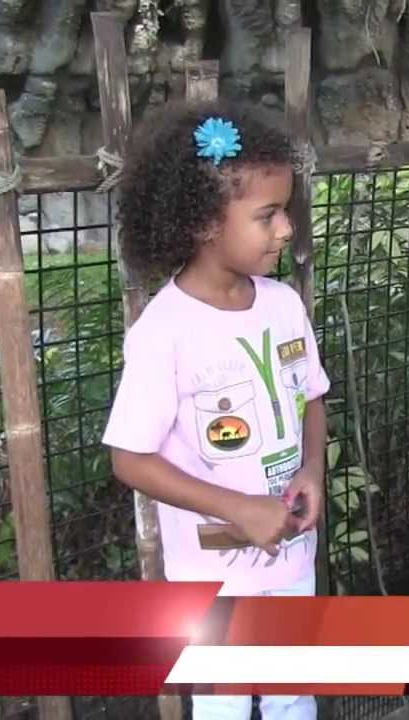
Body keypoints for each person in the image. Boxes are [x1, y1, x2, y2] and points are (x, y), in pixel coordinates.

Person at [102, 99, 328, 720]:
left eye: (286, 211)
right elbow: (130, 458)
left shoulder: (282, 304)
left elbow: (312, 394)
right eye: (268, 215)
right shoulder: (165, 331)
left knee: (291, 695)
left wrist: (313, 470)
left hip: (291, 559)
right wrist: (238, 508)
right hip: (211, 579)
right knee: (223, 705)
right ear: (204, 223)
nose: (286, 229)